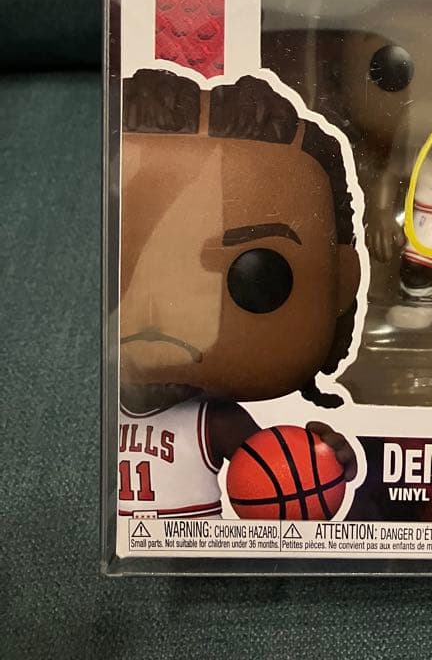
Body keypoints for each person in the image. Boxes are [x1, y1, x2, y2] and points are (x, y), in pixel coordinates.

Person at [118, 69, 360, 518]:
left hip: (195, 555)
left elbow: (284, 480)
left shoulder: (215, 422)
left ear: (342, 283)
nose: (162, 310)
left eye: (257, 275)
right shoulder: (79, 409)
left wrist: (321, 465)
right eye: (124, 266)